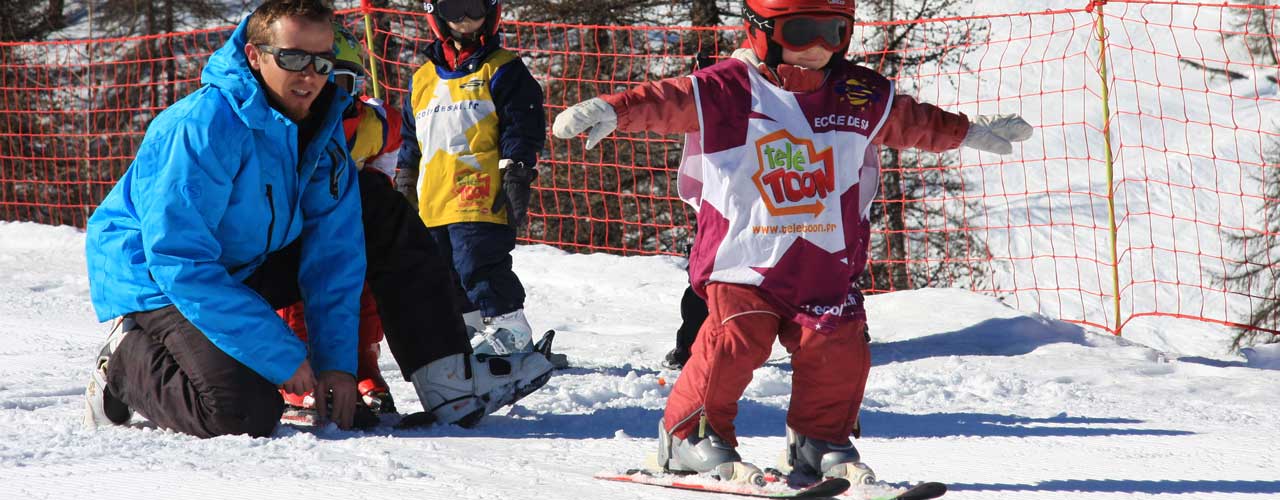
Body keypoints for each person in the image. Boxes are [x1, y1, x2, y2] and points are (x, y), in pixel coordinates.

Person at [553, 0, 1032, 483]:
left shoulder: (858, 94)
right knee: (734, 341)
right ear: (763, 30)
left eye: (834, 32)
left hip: (824, 261)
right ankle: (688, 436)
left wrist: (969, 132)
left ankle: (818, 440)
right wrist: (614, 111)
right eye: (802, 31)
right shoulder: (730, 89)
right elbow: (666, 101)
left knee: (839, 348)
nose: (818, 47)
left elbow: (914, 122)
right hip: (745, 260)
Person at [83, 0, 553, 439]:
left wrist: (337, 367)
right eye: (292, 59)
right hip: (159, 279)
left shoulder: (322, 129)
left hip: (248, 263)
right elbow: (178, 259)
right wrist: (286, 358)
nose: (310, 76)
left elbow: (335, 256)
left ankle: (447, 380)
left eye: (322, 62)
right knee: (244, 411)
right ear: (254, 55)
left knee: (376, 203)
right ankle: (122, 362)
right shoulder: (201, 127)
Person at [396, 0, 546, 356]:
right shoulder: (422, 79)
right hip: (433, 199)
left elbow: (521, 129)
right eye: (453, 10)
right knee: (442, 274)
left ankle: (511, 330)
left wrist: (516, 177)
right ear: (436, 15)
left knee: (478, 262)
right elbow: (409, 141)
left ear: (490, 12)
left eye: (473, 8)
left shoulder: (503, 69)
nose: (464, 20)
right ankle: (470, 335)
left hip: (480, 193)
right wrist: (403, 184)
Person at [275, 24, 403, 418]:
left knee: (360, 290)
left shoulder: (368, 123)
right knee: (297, 291)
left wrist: (377, 179)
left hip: (343, 230)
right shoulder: (286, 127)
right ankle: (296, 374)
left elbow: (392, 135)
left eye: (341, 85)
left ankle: (363, 365)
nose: (329, 96)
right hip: (292, 232)